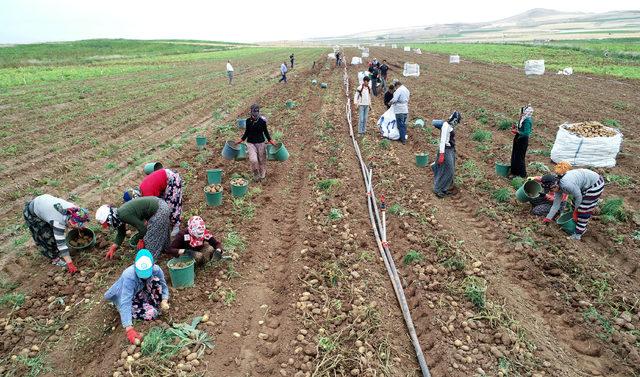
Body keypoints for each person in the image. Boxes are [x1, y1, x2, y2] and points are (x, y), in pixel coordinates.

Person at [104, 249, 169, 345]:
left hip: (141, 290)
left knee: (155, 281)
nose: (144, 277)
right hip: (123, 296)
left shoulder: (156, 269)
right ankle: (117, 304)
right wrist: (129, 328)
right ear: (135, 267)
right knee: (151, 313)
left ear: (152, 265)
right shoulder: (129, 276)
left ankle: (152, 303)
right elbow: (125, 301)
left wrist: (164, 300)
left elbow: (163, 286)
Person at [23, 194, 89, 274]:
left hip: (44, 204)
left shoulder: (75, 210)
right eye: (74, 225)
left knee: (55, 232)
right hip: (32, 213)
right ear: (70, 221)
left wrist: (79, 228)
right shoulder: (58, 222)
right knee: (48, 238)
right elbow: (61, 244)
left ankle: (60, 253)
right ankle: (54, 258)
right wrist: (70, 264)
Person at [540, 164, 605, 240]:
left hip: (595, 184)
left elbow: (578, 197)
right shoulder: (557, 187)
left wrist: (576, 211)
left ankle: (578, 234)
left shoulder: (566, 184)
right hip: (584, 185)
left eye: (551, 189)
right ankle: (578, 226)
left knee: (583, 209)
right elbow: (556, 204)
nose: (551, 192)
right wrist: (548, 218)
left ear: (555, 185)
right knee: (574, 205)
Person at [96, 196, 172, 259]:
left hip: (160, 210)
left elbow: (142, 228)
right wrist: (113, 247)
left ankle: (151, 262)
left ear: (109, 218)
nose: (109, 226)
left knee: (149, 241)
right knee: (160, 233)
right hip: (160, 206)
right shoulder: (119, 216)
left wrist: (141, 240)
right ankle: (167, 250)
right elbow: (121, 233)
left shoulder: (123, 215)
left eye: (108, 223)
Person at [123, 168, 183, 237]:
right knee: (164, 203)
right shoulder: (142, 191)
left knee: (171, 204)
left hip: (172, 179)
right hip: (164, 180)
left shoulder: (147, 194)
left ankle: (176, 225)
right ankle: (169, 221)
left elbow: (155, 209)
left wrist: (148, 223)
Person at [235, 104, 277, 182]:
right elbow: (246, 132)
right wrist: (240, 140)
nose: (255, 113)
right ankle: (256, 174)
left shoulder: (262, 122)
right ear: (251, 112)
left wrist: (271, 141)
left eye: (257, 111)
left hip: (261, 143)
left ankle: (263, 176)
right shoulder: (248, 121)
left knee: (262, 160)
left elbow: (266, 132)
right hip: (250, 143)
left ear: (258, 112)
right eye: (254, 111)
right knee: (253, 160)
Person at [432, 111, 462, 198]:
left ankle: (444, 189)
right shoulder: (445, 126)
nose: (456, 123)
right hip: (446, 150)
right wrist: (441, 154)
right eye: (456, 121)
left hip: (451, 150)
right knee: (449, 170)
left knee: (449, 170)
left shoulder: (450, 126)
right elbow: (442, 141)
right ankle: (437, 189)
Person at [510, 105, 533, 178]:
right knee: (514, 156)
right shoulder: (523, 119)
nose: (520, 113)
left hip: (522, 140)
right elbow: (520, 128)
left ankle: (522, 174)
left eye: (522, 112)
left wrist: (518, 132)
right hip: (518, 138)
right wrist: (515, 128)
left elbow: (526, 133)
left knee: (519, 157)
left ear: (526, 112)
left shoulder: (527, 121)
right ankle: (514, 172)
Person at [389, 79, 410, 144]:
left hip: (399, 110)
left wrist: (390, 102)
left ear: (397, 85)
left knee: (400, 125)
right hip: (405, 109)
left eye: (395, 86)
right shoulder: (406, 89)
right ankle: (404, 136)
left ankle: (402, 139)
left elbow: (395, 99)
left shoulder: (399, 90)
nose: (395, 88)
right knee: (404, 124)